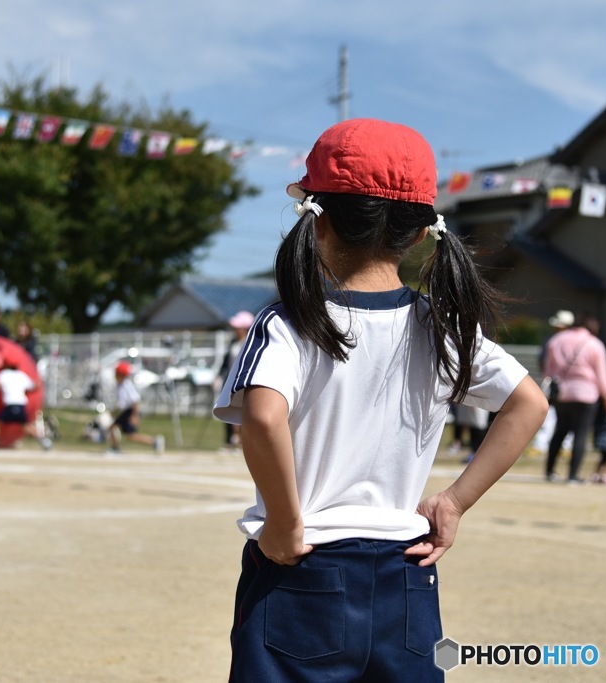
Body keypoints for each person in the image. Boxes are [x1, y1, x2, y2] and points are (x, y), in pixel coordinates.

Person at [213, 118, 547, 681]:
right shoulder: (438, 325)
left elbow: (264, 417)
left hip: (303, 570)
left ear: (316, 223)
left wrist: (285, 521)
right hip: (407, 578)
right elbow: (529, 403)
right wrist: (454, 502)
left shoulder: (290, 319)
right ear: (419, 234)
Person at [543, 312, 606, 483]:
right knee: (580, 434)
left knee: (559, 432)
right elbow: (602, 375)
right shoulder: (594, 344)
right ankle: (572, 475)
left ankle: (549, 471)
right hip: (586, 394)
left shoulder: (556, 340)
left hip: (562, 393)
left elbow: (548, 370)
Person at [0, 354, 51, 451]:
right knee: (25, 426)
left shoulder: (4, 374)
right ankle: (44, 441)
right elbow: (34, 386)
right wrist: (39, 382)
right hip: (21, 405)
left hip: (11, 404)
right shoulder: (22, 375)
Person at [532, 309, 576, 454]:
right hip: (561, 381)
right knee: (550, 412)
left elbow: (542, 361)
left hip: (558, 381)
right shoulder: (568, 341)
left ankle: (562, 445)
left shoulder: (552, 341)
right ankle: (545, 444)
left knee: (563, 414)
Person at [216, 310, 254, 453]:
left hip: (244, 381)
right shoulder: (233, 342)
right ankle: (231, 441)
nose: (234, 329)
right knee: (228, 410)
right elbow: (226, 363)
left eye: (237, 326)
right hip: (230, 382)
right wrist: (218, 377)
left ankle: (243, 442)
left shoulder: (252, 341)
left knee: (245, 413)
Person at [107, 361, 164, 455]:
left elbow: (135, 401)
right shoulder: (119, 385)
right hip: (124, 412)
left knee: (131, 436)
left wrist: (134, 416)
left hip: (129, 412)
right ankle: (115, 447)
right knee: (113, 428)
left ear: (121, 375)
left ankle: (154, 441)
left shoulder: (126, 385)